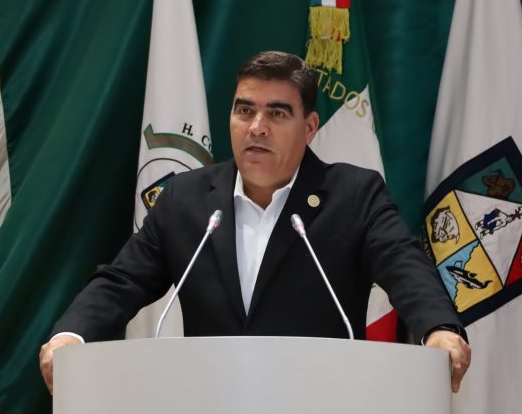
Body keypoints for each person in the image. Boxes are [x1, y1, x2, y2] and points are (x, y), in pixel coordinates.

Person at [39, 51, 470, 394]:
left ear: (310, 127)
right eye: (245, 110)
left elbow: (403, 263)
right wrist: (71, 336)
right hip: (209, 400)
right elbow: (122, 280)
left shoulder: (353, 195)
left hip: (322, 399)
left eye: (277, 114)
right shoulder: (186, 199)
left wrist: (439, 329)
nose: (257, 128)